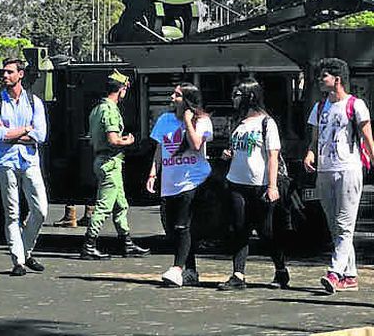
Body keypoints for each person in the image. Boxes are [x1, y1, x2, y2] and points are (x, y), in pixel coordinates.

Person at [305, 57, 371, 294]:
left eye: (324, 76)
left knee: (344, 225)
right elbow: (315, 140)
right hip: (325, 169)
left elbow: (367, 138)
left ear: (337, 79)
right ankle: (350, 275)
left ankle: (334, 272)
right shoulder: (320, 107)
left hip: (348, 169)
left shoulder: (356, 105)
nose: (320, 81)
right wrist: (310, 154)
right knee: (335, 226)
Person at [219, 78, 286, 291]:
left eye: (236, 94)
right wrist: (227, 154)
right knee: (240, 229)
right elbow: (237, 150)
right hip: (237, 182)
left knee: (266, 231)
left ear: (249, 96)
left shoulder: (267, 123)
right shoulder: (238, 123)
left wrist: (272, 186)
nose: (233, 99)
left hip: (260, 184)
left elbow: (272, 156)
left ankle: (281, 270)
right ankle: (238, 275)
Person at [0, 57, 49, 277]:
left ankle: (26, 249)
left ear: (20, 74)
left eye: (10, 72)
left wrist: (11, 134)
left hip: (29, 161)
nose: (5, 76)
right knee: (12, 212)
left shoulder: (34, 102)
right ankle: (18, 260)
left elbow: (40, 135)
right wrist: (25, 130)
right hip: (6, 163)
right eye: (4, 72)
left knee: (40, 210)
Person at [146, 82, 213, 288]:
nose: (172, 98)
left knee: (182, 226)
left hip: (192, 181)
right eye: (173, 94)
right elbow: (160, 147)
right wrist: (153, 172)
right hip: (169, 182)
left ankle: (177, 269)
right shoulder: (165, 120)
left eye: (177, 95)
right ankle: (190, 270)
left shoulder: (202, 121)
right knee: (173, 229)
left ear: (188, 100)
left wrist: (187, 120)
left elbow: (195, 145)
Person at [79, 70, 150, 260]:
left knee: (121, 205)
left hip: (106, 161)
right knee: (104, 206)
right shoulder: (110, 110)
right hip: (110, 161)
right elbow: (113, 140)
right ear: (121, 89)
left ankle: (127, 243)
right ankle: (89, 244)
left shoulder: (97, 109)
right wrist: (128, 141)